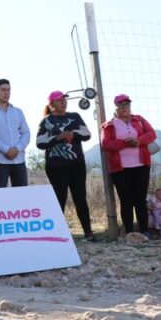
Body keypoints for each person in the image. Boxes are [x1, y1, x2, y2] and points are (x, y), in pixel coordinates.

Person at [35, 91, 94, 241]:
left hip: (76, 164)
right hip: (56, 166)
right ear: (51, 104)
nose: (63, 102)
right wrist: (58, 137)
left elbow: (87, 134)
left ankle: (88, 232)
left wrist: (72, 134)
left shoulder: (74, 116)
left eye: (64, 100)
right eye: (59, 100)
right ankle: (58, 233)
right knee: (59, 198)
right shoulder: (46, 121)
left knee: (80, 197)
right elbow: (40, 142)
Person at [100, 94, 155, 237]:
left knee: (140, 199)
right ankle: (129, 232)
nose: (124, 107)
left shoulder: (139, 119)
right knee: (126, 200)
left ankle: (144, 231)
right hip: (120, 168)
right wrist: (126, 143)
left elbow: (151, 134)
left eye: (126, 104)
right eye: (121, 105)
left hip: (141, 164)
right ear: (115, 107)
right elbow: (106, 144)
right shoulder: (109, 125)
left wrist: (138, 141)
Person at [0, 78, 30, 188]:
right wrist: (6, 150)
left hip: (19, 160)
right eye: (3, 90)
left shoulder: (18, 111)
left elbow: (26, 133)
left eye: (8, 90)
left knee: (22, 195)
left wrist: (17, 148)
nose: (6, 93)